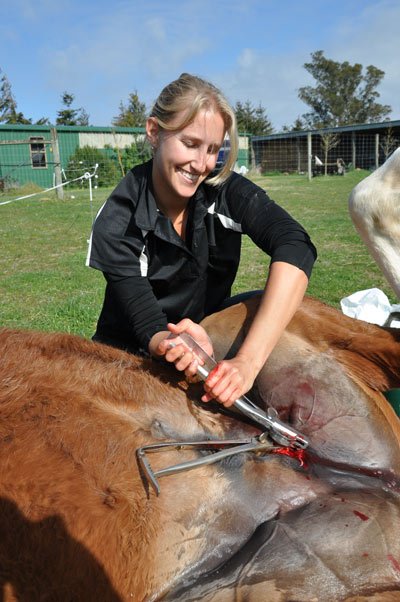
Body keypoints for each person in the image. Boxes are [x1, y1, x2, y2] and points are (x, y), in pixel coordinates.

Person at [87, 73, 317, 408]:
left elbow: (295, 244)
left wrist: (247, 364)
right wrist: (176, 344)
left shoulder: (222, 189)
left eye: (213, 149)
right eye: (191, 144)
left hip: (209, 338)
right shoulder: (119, 218)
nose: (201, 164)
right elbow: (148, 325)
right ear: (154, 132)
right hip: (131, 354)